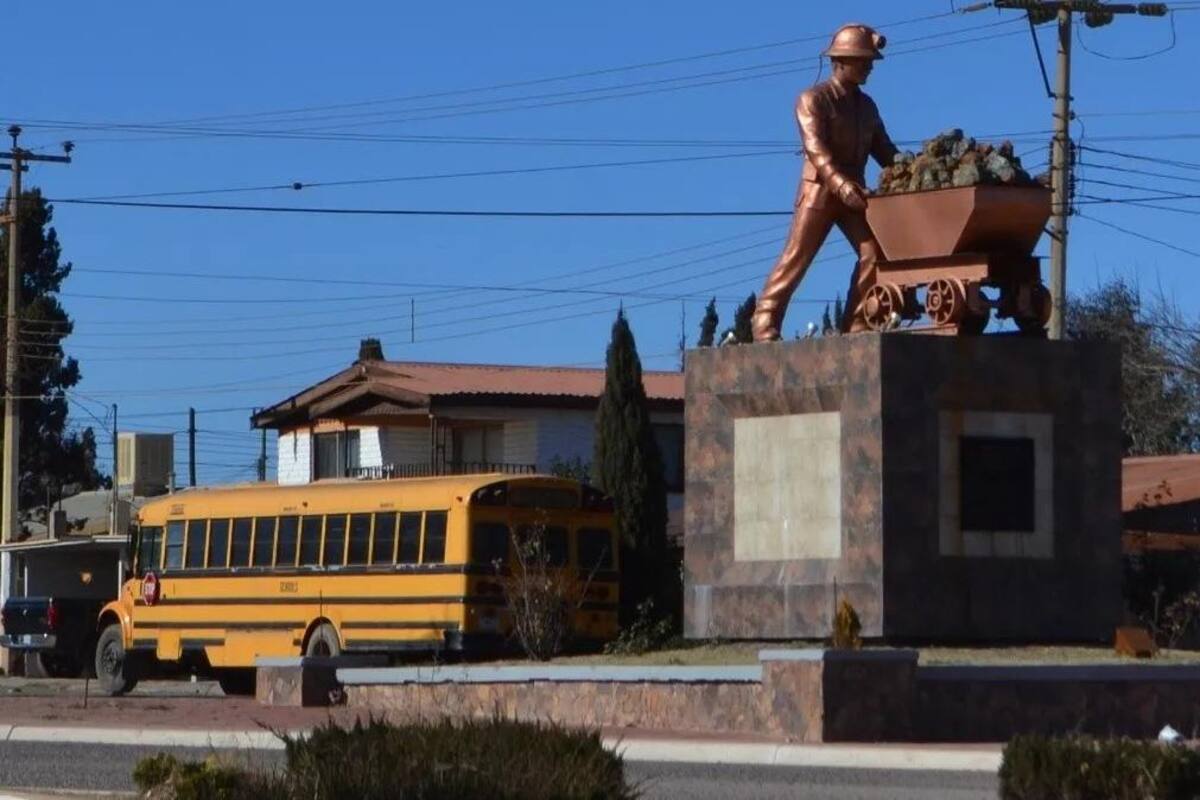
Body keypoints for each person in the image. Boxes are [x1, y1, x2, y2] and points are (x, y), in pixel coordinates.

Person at [752, 23, 898, 341]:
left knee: (875, 252)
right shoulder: (812, 99)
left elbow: (885, 149)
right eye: (864, 61)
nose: (870, 67)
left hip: (854, 195)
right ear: (841, 60)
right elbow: (816, 150)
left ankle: (857, 323)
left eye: (870, 61)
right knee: (797, 257)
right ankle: (764, 321)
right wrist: (841, 185)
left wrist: (910, 170)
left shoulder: (867, 106)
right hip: (820, 191)